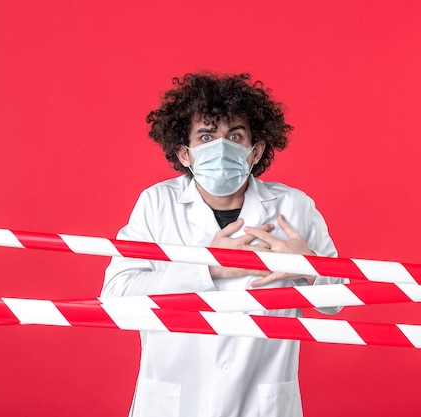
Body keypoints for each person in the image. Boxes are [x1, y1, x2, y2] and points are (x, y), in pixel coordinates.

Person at [101, 72, 345, 417]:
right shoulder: (156, 204)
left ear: (255, 150)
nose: (221, 146)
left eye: (235, 136)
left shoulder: (294, 207)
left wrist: (311, 269)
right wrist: (209, 269)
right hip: (175, 404)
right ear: (184, 154)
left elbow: (337, 301)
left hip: (262, 406)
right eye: (206, 136)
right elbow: (115, 298)